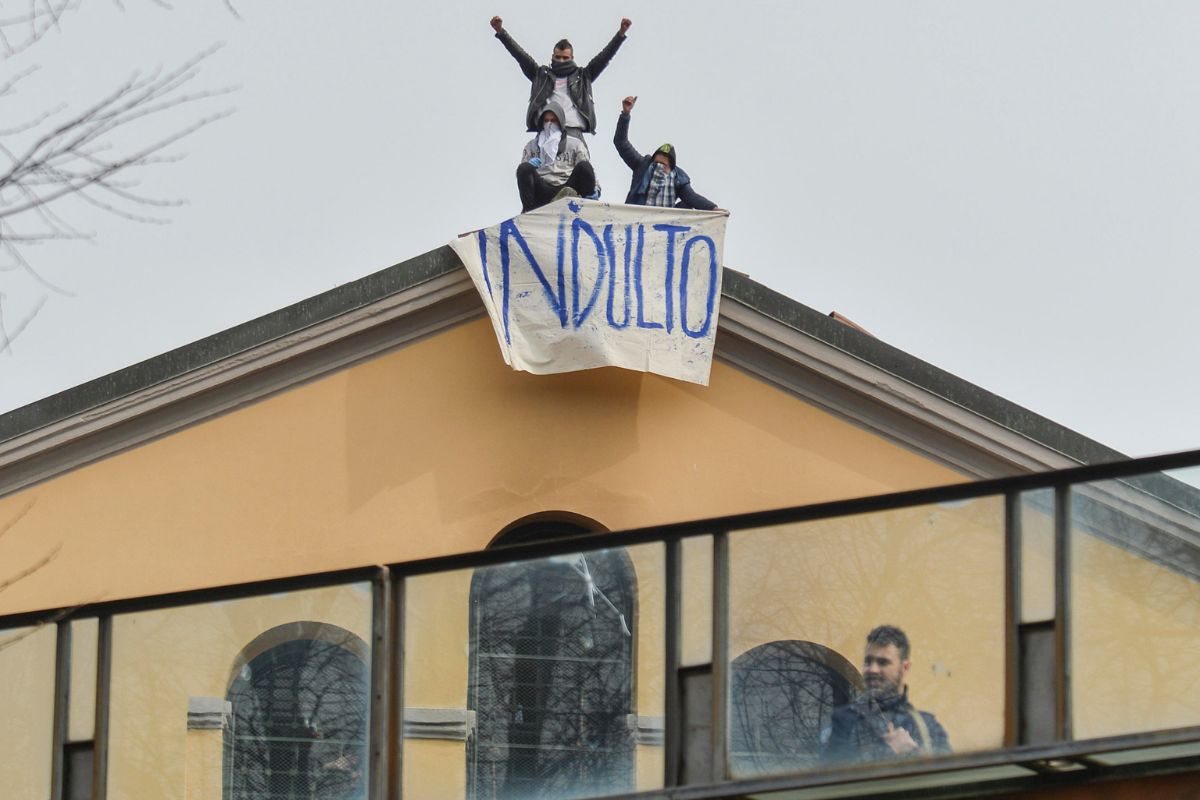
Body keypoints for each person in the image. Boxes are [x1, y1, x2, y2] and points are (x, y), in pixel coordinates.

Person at [821, 625, 951, 764]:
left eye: (883, 662)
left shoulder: (928, 726)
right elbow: (832, 777)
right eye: (868, 661)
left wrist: (913, 753)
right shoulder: (844, 721)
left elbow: (953, 780)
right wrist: (887, 751)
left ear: (905, 667)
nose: (872, 669)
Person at [491, 16, 632, 138]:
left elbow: (604, 57)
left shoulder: (583, 76)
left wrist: (620, 34)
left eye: (565, 58)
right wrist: (501, 32)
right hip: (546, 131)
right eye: (558, 57)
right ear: (552, 56)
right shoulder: (540, 74)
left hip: (574, 132)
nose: (561, 61)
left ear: (572, 57)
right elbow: (520, 55)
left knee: (582, 168)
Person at [613, 96, 721, 211]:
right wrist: (625, 114)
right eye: (656, 163)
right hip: (636, 220)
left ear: (671, 167)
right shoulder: (642, 165)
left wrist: (713, 208)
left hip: (662, 224)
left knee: (687, 206)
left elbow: (692, 197)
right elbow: (621, 142)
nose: (658, 168)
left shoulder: (678, 178)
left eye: (663, 164)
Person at [515, 103, 597, 212]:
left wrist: (595, 189)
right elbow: (521, 173)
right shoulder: (532, 146)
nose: (549, 124)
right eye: (546, 121)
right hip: (542, 189)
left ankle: (586, 207)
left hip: (566, 186)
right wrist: (529, 165)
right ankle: (529, 211)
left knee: (584, 166)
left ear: (560, 122)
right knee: (524, 168)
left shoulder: (575, 144)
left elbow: (588, 169)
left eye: (553, 121)